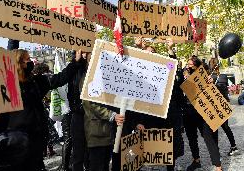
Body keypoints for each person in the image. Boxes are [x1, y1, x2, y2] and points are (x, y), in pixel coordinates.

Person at [0, 49, 83, 171]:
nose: (30, 61)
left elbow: (60, 78)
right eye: (27, 59)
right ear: (19, 63)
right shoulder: (7, 85)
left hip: (37, 141)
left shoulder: (36, 81)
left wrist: (76, 62)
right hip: (16, 143)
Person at [135, 37, 185, 171]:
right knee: (149, 149)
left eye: (153, 51)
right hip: (149, 115)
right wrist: (139, 49)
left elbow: (173, 66)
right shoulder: (139, 70)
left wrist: (170, 50)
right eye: (147, 52)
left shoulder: (164, 66)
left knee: (170, 149)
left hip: (168, 115)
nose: (150, 53)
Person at [183, 56, 222, 171]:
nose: (188, 66)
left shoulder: (204, 75)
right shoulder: (183, 74)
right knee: (191, 138)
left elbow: (212, 85)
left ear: (196, 66)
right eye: (187, 64)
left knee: (208, 138)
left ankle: (218, 166)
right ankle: (196, 160)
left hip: (202, 112)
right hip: (187, 110)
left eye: (190, 64)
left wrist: (211, 81)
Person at [209, 59, 239, 156]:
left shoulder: (210, 78)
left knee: (214, 128)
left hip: (214, 105)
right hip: (224, 104)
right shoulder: (224, 76)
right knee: (226, 127)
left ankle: (216, 150)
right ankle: (234, 146)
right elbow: (226, 90)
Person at [83, 101, 124, 171]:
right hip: (97, 133)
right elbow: (90, 105)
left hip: (109, 133)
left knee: (105, 165)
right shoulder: (88, 91)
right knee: (97, 166)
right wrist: (112, 115)